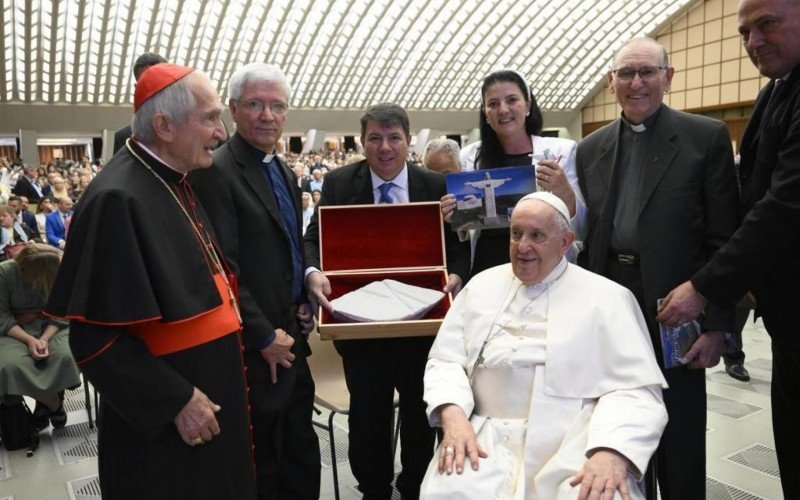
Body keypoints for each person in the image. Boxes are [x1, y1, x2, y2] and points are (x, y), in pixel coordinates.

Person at [44, 63, 257, 499]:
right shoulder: (117, 199)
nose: (221, 133)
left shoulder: (175, 178)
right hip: (171, 430)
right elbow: (94, 339)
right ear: (164, 125)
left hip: (209, 400)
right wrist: (175, 400)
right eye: (211, 118)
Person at [575, 37, 739, 499]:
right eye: (625, 74)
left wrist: (717, 326)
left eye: (647, 71)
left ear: (668, 77)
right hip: (614, 306)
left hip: (679, 307)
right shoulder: (590, 149)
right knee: (617, 427)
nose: (636, 82)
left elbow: (724, 237)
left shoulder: (703, 138)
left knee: (681, 436)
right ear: (611, 83)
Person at [421, 193, 667, 499]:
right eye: (516, 234)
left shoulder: (609, 298)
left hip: (576, 438)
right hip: (485, 437)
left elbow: (637, 390)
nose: (523, 247)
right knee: (449, 491)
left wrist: (610, 451)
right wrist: (454, 417)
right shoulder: (480, 286)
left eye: (537, 236)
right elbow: (445, 361)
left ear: (565, 242)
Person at [656, 0, 800, 496]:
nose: (753, 42)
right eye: (744, 33)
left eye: (767, 25)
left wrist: (704, 288)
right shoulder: (776, 92)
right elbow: (748, 199)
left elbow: (783, 206)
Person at [304, 102, 470, 500]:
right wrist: (313, 272)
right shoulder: (341, 183)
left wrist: (457, 274)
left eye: (394, 138)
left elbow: (458, 244)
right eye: (375, 138)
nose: (385, 147)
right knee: (368, 415)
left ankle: (414, 485)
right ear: (362, 142)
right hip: (361, 322)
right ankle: (374, 489)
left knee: (420, 411)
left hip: (423, 320)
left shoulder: (435, 184)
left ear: (409, 141)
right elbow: (314, 237)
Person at [191, 62, 320, 500]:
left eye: (277, 106)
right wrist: (263, 335)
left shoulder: (280, 167)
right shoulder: (216, 171)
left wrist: (303, 292)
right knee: (265, 459)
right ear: (232, 109)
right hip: (254, 346)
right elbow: (222, 268)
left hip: (292, 336)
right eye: (255, 105)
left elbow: (289, 241)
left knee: (300, 447)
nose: (267, 116)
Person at [442, 70, 585, 278]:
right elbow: (468, 231)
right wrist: (456, 215)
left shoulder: (562, 152)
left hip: (543, 263)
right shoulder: (470, 157)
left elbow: (580, 224)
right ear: (484, 112)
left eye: (512, 100)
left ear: (527, 105)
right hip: (488, 264)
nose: (503, 110)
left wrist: (565, 192)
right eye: (493, 104)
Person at [0, 244, 80, 429]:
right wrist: (29, 340)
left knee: (65, 357)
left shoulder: (61, 270)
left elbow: (66, 311)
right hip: (14, 329)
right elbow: (2, 316)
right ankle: (53, 403)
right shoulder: (4, 273)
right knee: (12, 366)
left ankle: (44, 406)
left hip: (55, 326)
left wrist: (43, 338)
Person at [112, 53, 168, 154]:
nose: (156, 87)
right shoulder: (124, 138)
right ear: (137, 88)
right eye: (148, 82)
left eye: (161, 80)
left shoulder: (191, 129)